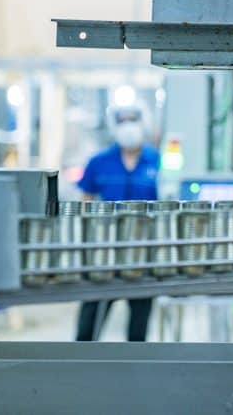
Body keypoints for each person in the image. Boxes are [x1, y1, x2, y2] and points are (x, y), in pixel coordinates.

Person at [75, 102, 160, 342]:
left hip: (143, 254)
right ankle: (80, 365)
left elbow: (169, 198)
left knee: (138, 331)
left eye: (133, 121)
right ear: (114, 126)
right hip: (104, 253)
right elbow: (85, 202)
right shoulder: (98, 162)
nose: (129, 128)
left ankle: (135, 373)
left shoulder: (157, 161)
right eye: (123, 122)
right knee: (88, 326)